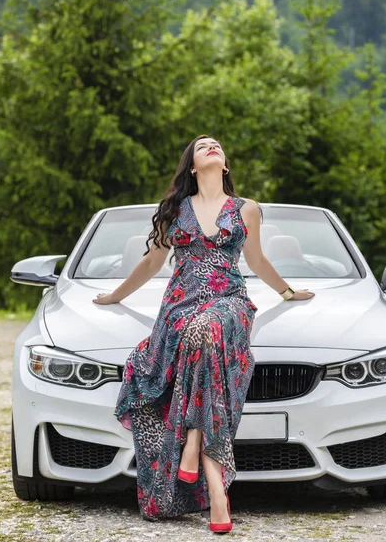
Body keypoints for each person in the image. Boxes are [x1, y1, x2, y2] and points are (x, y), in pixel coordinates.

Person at [93, 134, 315, 532]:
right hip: (180, 303)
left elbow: (257, 259)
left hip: (228, 300)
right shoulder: (176, 209)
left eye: (217, 145)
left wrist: (287, 292)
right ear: (193, 166)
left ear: (225, 164)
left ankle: (198, 451)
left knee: (207, 331)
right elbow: (152, 261)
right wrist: (115, 294)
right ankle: (214, 483)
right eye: (202, 145)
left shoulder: (246, 209)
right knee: (197, 335)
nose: (211, 146)